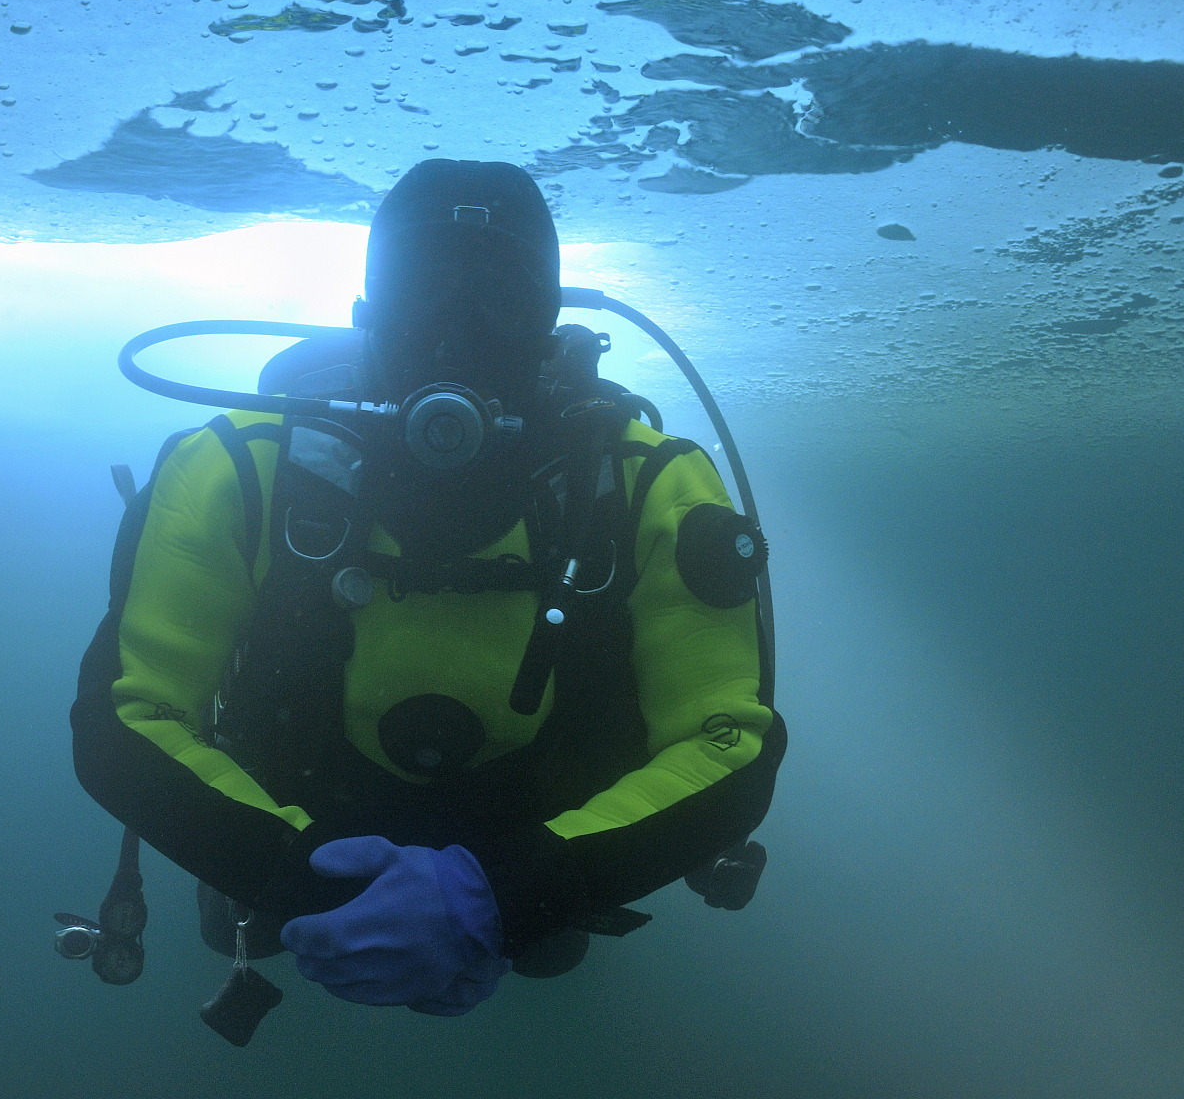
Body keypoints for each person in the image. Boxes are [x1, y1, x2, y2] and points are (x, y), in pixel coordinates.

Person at [72, 159, 785, 1020]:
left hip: (533, 847)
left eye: (501, 298)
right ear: (367, 315)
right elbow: (123, 718)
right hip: (303, 828)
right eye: (422, 294)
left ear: (550, 322)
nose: (457, 335)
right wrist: (298, 879)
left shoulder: (647, 488)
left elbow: (730, 742)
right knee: (244, 926)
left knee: (552, 954)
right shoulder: (237, 469)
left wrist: (515, 896)